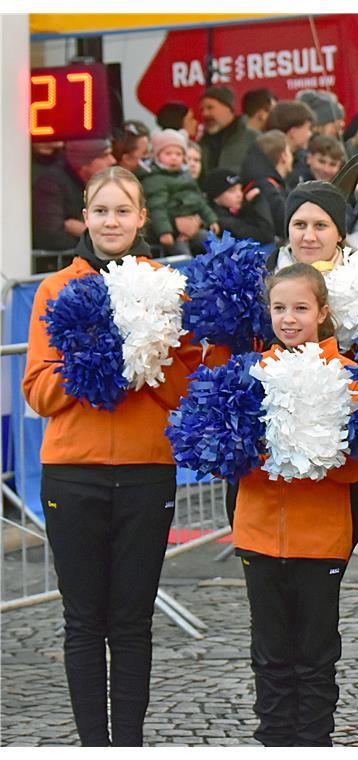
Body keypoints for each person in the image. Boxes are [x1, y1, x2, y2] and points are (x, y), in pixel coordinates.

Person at [22, 166, 201, 745]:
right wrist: (92, 363)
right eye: (101, 210)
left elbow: (183, 389)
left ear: (141, 217)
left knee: (131, 620)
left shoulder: (169, 286)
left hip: (148, 473)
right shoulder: (56, 290)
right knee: (83, 622)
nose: (111, 221)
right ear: (85, 216)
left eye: (123, 210)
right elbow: (38, 391)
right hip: (72, 475)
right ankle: (91, 747)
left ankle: (128, 743)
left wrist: (141, 361)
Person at [233, 263, 358, 746]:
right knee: (269, 652)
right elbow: (225, 453)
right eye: (279, 308)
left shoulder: (350, 376)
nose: (289, 318)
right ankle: (274, 741)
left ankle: (316, 742)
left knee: (316, 655)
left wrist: (317, 455)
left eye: (300, 308)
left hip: (321, 539)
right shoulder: (248, 375)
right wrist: (267, 453)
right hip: (258, 535)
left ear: (323, 312)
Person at [141, 129, 218, 255]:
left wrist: (211, 219)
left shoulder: (186, 177)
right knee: (182, 255)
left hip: (195, 228)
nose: (174, 157)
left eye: (178, 154)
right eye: (168, 153)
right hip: (173, 234)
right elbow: (157, 208)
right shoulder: (154, 180)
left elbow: (200, 202)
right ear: (157, 156)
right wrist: (165, 231)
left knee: (214, 243)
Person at [32, 138, 116, 252]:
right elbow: (51, 238)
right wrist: (95, 240)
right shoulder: (51, 185)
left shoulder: (104, 186)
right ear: (84, 163)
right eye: (104, 155)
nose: (112, 160)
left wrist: (87, 231)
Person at [240, 130, 293, 240]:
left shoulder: (268, 183)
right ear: (283, 156)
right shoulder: (266, 186)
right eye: (290, 152)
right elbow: (284, 222)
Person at [204, 168, 276, 246]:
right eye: (232, 191)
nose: (240, 194)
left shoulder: (234, 214)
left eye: (240, 189)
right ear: (216, 197)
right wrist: (258, 201)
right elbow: (266, 235)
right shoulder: (221, 221)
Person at [198, 86, 258, 177]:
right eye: (202, 110)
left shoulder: (253, 139)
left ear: (228, 108)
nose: (205, 114)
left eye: (210, 108)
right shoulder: (201, 145)